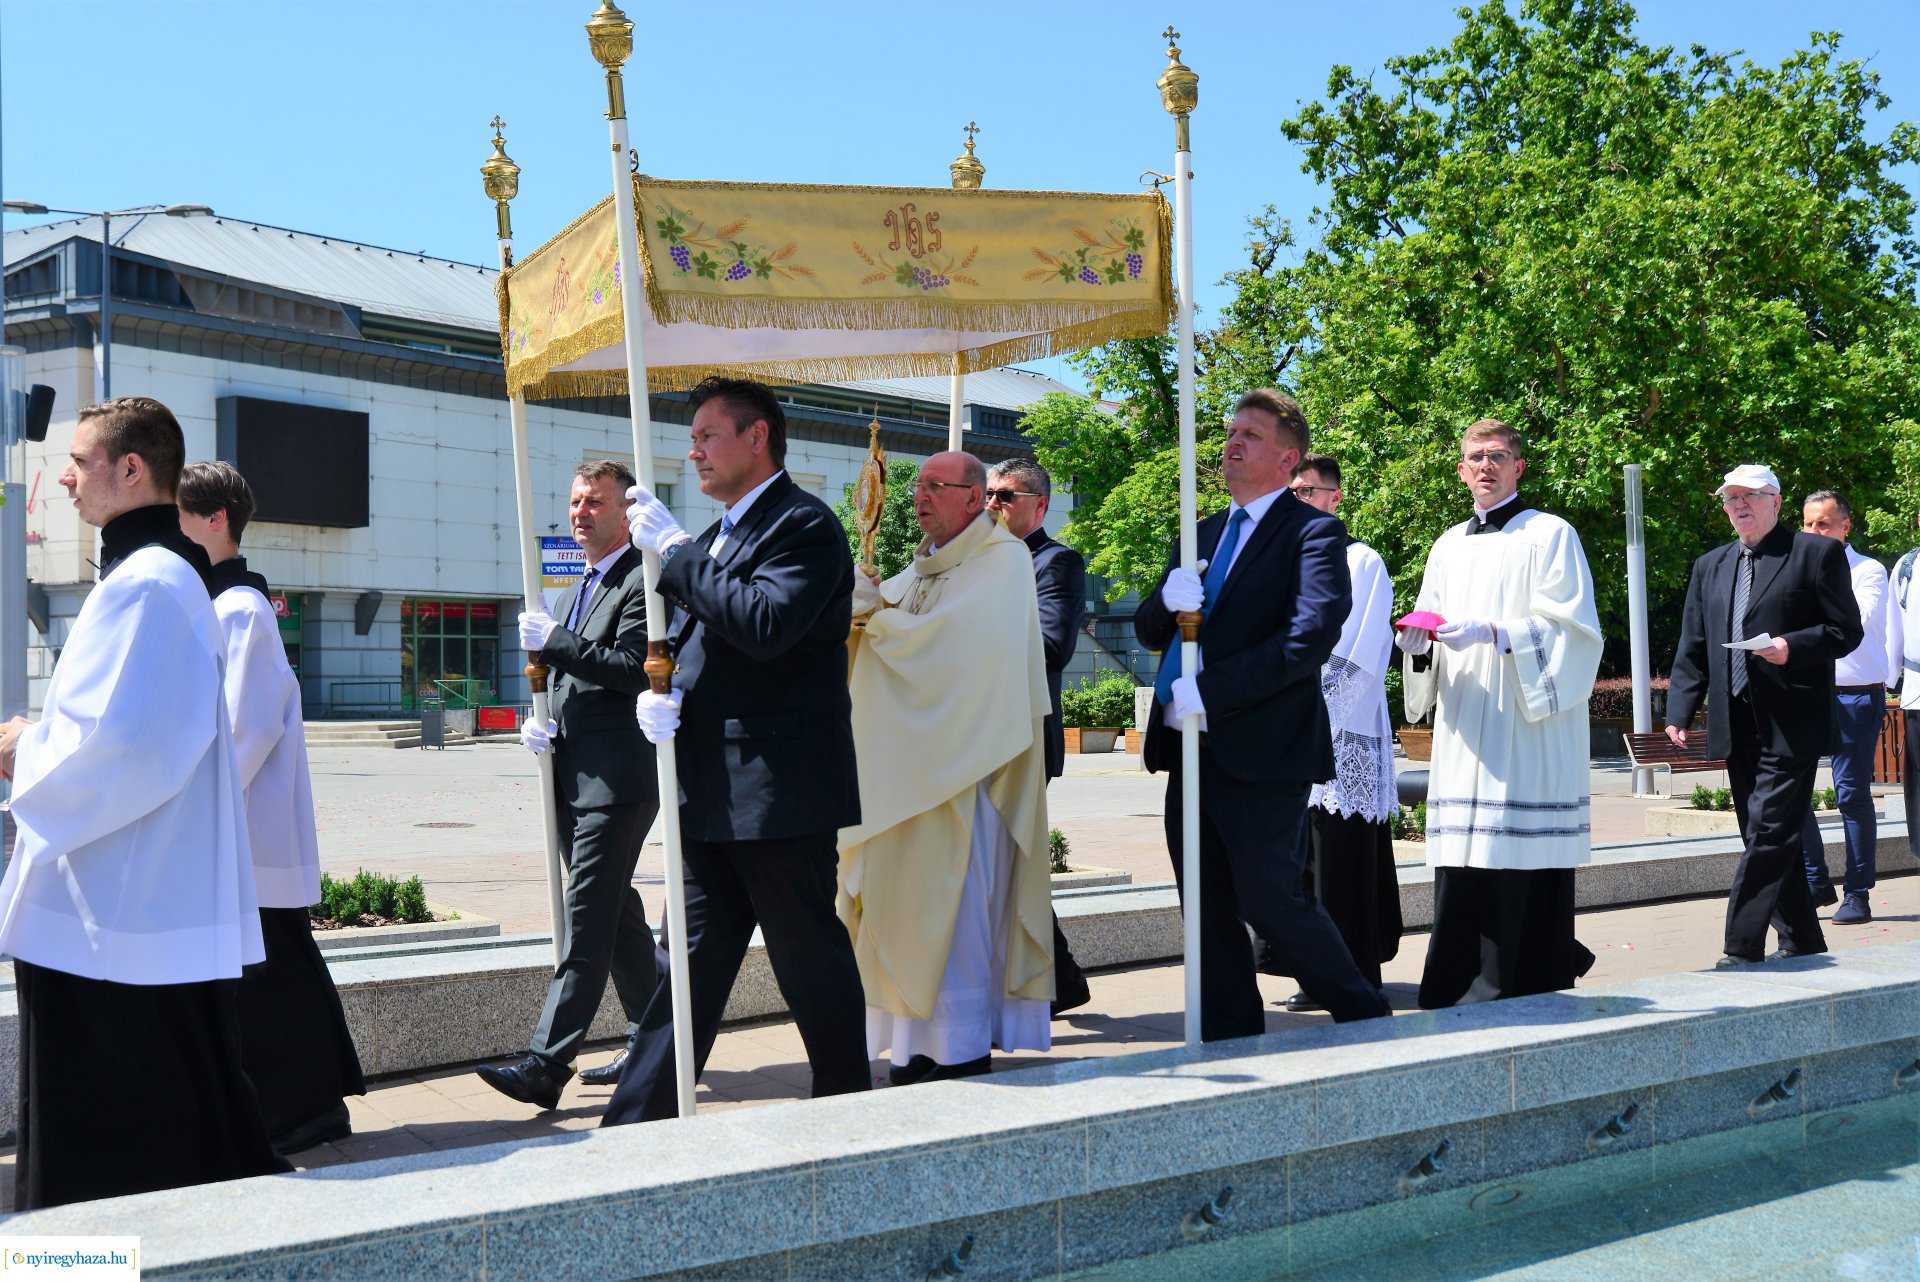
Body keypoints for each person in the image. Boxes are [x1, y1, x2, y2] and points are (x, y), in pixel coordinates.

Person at [0, 397, 288, 1209]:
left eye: (79, 460)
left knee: (101, 1166)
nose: (63, 476)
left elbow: (122, 748)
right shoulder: (153, 576)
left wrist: (25, 751)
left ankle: (78, 1267)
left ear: (131, 471)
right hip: (125, 913)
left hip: (112, 924)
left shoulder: (152, 582)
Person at [604, 377, 869, 1124]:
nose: (693, 453)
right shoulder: (720, 534)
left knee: (809, 961)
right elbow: (705, 644)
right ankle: (634, 1127)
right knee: (683, 974)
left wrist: (679, 553)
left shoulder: (804, 525)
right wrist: (667, 694)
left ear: (758, 438)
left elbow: (762, 623)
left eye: (707, 436)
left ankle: (850, 1107)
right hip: (710, 789)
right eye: (691, 440)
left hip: (778, 791)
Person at [1136, 389, 1389, 1042]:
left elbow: (1308, 638)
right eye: (1231, 431)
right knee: (1206, 906)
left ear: (1287, 459)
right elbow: (1146, 629)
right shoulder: (1203, 531)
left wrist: (1213, 691)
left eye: (1251, 433)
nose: (1233, 441)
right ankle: (1231, 1037)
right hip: (1189, 749)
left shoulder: (1312, 533)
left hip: (1262, 750)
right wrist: (1168, 601)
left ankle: (1367, 1016)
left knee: (1273, 900)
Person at [840, 449, 1054, 1082]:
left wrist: (873, 620)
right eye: (918, 486)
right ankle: (910, 1050)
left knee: (954, 920)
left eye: (938, 486)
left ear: (975, 496)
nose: (920, 496)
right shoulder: (922, 568)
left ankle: (958, 1053)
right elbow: (892, 626)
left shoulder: (1003, 561)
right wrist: (860, 607)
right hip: (908, 774)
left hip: (964, 776)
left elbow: (957, 654)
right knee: (902, 911)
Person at [177, 461, 366, 1154]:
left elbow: (243, 732)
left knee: (274, 981)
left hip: (245, 834)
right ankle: (304, 1105)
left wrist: (188, 809)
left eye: (179, 516)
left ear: (215, 519)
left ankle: (307, 1109)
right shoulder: (222, 604)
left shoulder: (240, 609)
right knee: (273, 978)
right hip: (241, 834)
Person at [1397, 419, 1602, 1007]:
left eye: (1497, 456)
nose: (1485, 466)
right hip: (1466, 724)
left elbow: (1576, 631)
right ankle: (1456, 984)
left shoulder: (1551, 534)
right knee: (1465, 860)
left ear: (1519, 467)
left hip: (1524, 726)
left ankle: (1524, 980)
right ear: (1460, 470)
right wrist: (1418, 646)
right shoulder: (1446, 545)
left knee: (1516, 859)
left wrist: (1498, 633)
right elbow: (1429, 619)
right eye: (1474, 457)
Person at [476, 460, 660, 1110]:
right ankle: (657, 1037)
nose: (580, 512)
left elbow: (635, 669)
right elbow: (563, 680)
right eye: (575, 500)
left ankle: (546, 1065)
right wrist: (541, 722)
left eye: (594, 502)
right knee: (618, 917)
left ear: (624, 511)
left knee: (586, 919)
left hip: (617, 781)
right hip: (572, 778)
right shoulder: (569, 590)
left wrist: (556, 643)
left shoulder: (644, 581)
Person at [1666, 464, 1862, 966]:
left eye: (1750, 497)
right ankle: (1802, 939)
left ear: (1776, 502)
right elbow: (1694, 643)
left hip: (1791, 720)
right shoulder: (1710, 564)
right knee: (1762, 835)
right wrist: (1681, 710)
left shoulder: (1815, 553)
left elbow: (1846, 631)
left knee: (1771, 830)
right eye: (1731, 499)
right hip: (1736, 720)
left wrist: (1790, 646)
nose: (1739, 506)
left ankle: (1741, 944)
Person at [1282, 453, 1402, 1010]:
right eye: (1294, 491)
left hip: (1340, 729)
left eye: (1311, 491)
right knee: (1300, 864)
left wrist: (1310, 708)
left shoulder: (1362, 560)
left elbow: (1361, 651)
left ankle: (1353, 973)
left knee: (1341, 861)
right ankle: (1312, 972)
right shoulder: (1282, 558)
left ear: (1336, 497)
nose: (1301, 499)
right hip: (1287, 731)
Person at [984, 456, 1092, 1017]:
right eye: (988, 495)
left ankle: (1055, 978)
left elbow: (1052, 646)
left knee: (1011, 863)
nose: (992, 504)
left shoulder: (1055, 562)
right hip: (972, 734)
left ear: (1040, 506)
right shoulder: (971, 561)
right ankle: (1060, 977)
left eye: (1006, 496)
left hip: (1022, 735)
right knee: (998, 865)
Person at [1795, 489, 1896, 925]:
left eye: (1824, 524)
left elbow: (1850, 621)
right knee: (1790, 789)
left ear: (1844, 527)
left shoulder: (1868, 571)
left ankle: (1858, 893)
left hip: (1855, 694)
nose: (1815, 532)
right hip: (1805, 690)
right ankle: (1816, 882)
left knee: (1851, 793)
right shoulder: (1792, 568)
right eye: (1809, 524)